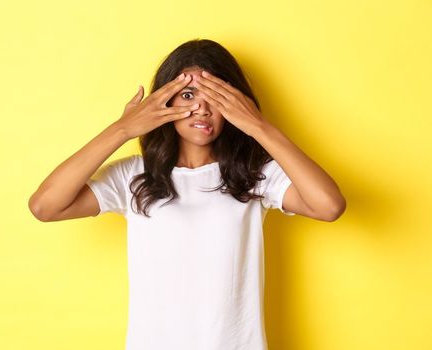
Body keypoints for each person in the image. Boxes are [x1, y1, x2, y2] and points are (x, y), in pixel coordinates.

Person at [27, 39, 347, 349]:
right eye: (189, 94)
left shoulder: (252, 175)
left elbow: (329, 206)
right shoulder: (134, 177)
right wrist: (122, 129)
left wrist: (258, 126)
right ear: (165, 102)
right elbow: (45, 206)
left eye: (216, 96)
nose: (201, 109)